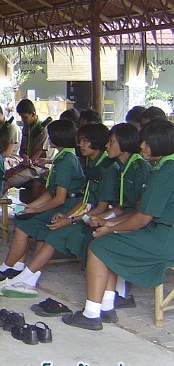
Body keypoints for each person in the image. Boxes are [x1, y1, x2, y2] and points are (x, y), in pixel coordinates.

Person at [63, 120, 174, 331]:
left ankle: (91, 314)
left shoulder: (165, 171)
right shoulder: (164, 166)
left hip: (164, 238)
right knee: (108, 243)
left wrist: (110, 227)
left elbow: (142, 218)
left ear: (160, 143)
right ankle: (106, 307)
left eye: (147, 142)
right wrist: (109, 224)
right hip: (162, 233)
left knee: (99, 247)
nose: (141, 146)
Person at [1, 123, 117, 296]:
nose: (80, 144)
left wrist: (69, 219)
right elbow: (84, 200)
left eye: (85, 141)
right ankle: (24, 277)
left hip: (95, 217)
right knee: (46, 229)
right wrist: (65, 216)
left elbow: (99, 206)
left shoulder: (106, 168)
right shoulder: (91, 163)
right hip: (82, 212)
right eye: (80, 140)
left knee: (51, 234)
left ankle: (22, 276)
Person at [0, 120, 85, 295]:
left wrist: (36, 210)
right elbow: (51, 193)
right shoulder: (62, 157)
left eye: (51, 136)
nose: (48, 139)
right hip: (62, 202)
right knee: (22, 216)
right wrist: (30, 206)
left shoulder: (66, 161)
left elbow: (59, 198)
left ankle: (8, 267)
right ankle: (17, 266)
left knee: (25, 225)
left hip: (68, 206)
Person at [3, 99, 50, 191]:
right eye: (21, 117)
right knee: (2, 176)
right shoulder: (26, 127)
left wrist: (18, 169)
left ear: (33, 114)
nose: (22, 120)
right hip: (26, 164)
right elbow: (21, 152)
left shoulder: (42, 129)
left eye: (24, 117)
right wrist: (24, 156)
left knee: (6, 182)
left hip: (38, 167)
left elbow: (35, 158)